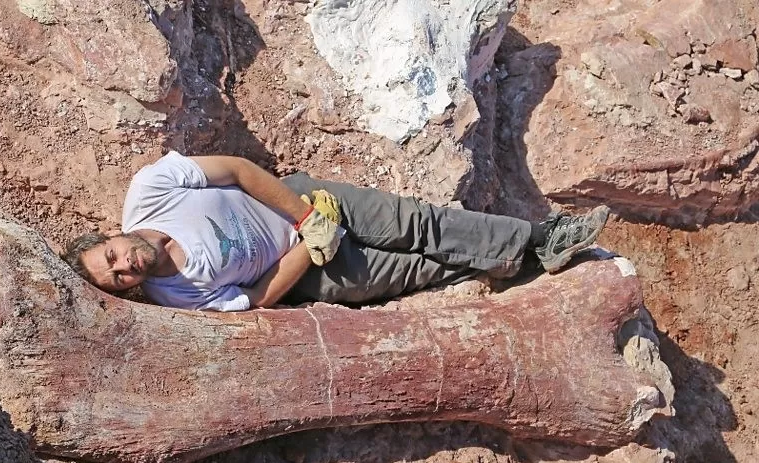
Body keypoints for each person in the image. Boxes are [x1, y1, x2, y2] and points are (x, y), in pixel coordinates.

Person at [61, 151, 609, 312]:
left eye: (109, 256)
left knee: (421, 223)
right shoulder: (173, 293)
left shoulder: (149, 192)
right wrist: (307, 248)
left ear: (108, 235)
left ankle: (539, 241)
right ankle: (529, 267)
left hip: (307, 202)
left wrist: (307, 216)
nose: (122, 265)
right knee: (415, 271)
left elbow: (237, 170)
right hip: (310, 269)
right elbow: (254, 298)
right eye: (115, 279)